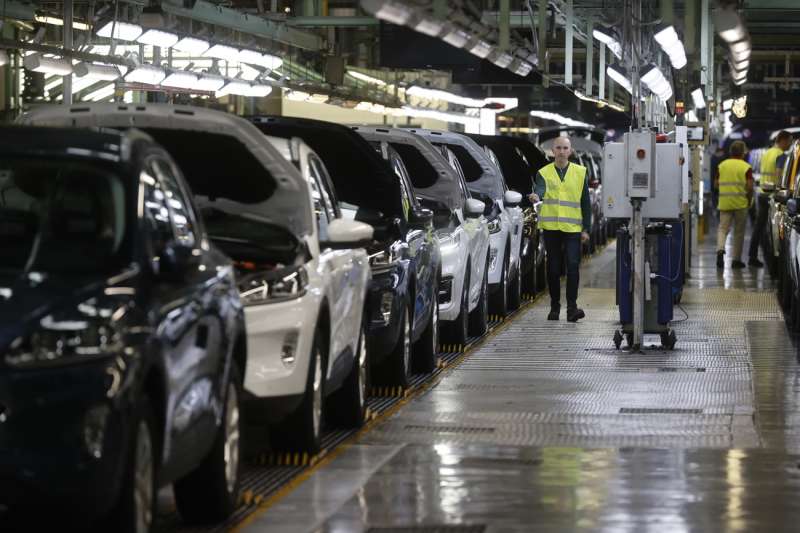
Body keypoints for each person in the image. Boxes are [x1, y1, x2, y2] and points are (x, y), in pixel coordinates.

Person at [529, 137, 591, 322]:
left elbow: (585, 203)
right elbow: (540, 189)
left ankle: (572, 308)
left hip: (573, 228)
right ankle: (554, 307)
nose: (562, 151)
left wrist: (585, 229)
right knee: (554, 269)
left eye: (565, 148)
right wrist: (535, 196)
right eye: (558, 148)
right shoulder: (544, 173)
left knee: (573, 267)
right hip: (551, 228)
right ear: (552, 151)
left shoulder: (580, 173)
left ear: (570, 151)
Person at [748, 130, 793, 267]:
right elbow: (780, 174)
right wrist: (782, 189)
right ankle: (775, 262)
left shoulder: (767, 153)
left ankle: (752, 255)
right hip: (773, 196)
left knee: (759, 227)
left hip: (762, 193)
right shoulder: (780, 155)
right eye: (789, 141)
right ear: (783, 140)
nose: (790, 144)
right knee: (775, 233)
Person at [716, 140, 753, 269]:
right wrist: (749, 200)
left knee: (722, 229)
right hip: (740, 204)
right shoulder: (746, 167)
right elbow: (749, 187)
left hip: (725, 203)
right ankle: (736, 260)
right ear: (742, 152)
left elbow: (716, 184)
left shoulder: (722, 165)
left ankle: (720, 250)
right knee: (739, 232)